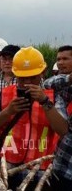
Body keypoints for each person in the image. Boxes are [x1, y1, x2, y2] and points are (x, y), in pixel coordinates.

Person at [0, 47, 58, 191]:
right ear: (15, 74)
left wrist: (45, 102)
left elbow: (62, 129)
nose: (27, 82)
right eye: (22, 78)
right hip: (7, 166)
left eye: (33, 77)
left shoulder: (52, 97)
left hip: (39, 169)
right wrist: (8, 112)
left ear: (42, 73)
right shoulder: (3, 94)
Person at [41, 45, 72, 190]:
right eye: (58, 59)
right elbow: (48, 84)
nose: (60, 62)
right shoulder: (60, 85)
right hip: (62, 163)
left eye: (65, 58)